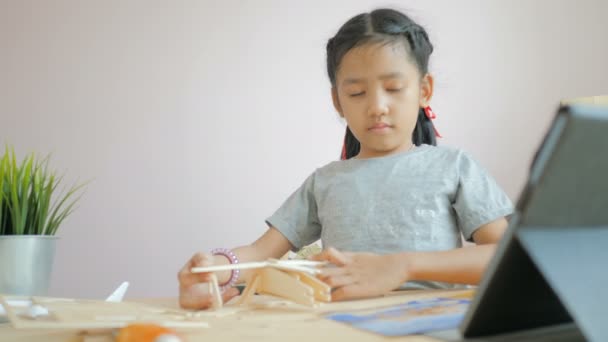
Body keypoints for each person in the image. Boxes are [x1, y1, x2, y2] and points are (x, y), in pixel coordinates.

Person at [178, 8, 513, 309]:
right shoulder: (325, 182)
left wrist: (404, 265)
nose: (377, 106)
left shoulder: (454, 167)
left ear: (424, 90)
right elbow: (261, 253)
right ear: (338, 101)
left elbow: (508, 258)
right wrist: (212, 269)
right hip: (338, 325)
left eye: (394, 88)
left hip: (431, 324)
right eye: (356, 93)